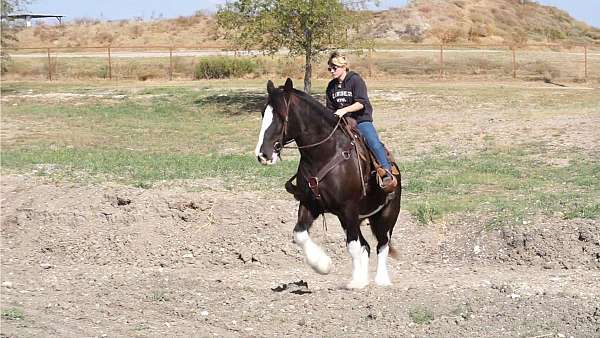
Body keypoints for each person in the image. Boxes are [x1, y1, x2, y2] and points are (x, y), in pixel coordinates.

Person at [325, 51, 393, 185]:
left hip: (360, 120)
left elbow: (361, 103)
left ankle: (387, 171)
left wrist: (344, 110)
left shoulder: (355, 80)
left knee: (373, 142)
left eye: (335, 68)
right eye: (330, 68)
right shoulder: (331, 86)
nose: (332, 71)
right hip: (342, 122)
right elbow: (330, 109)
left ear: (343, 67)